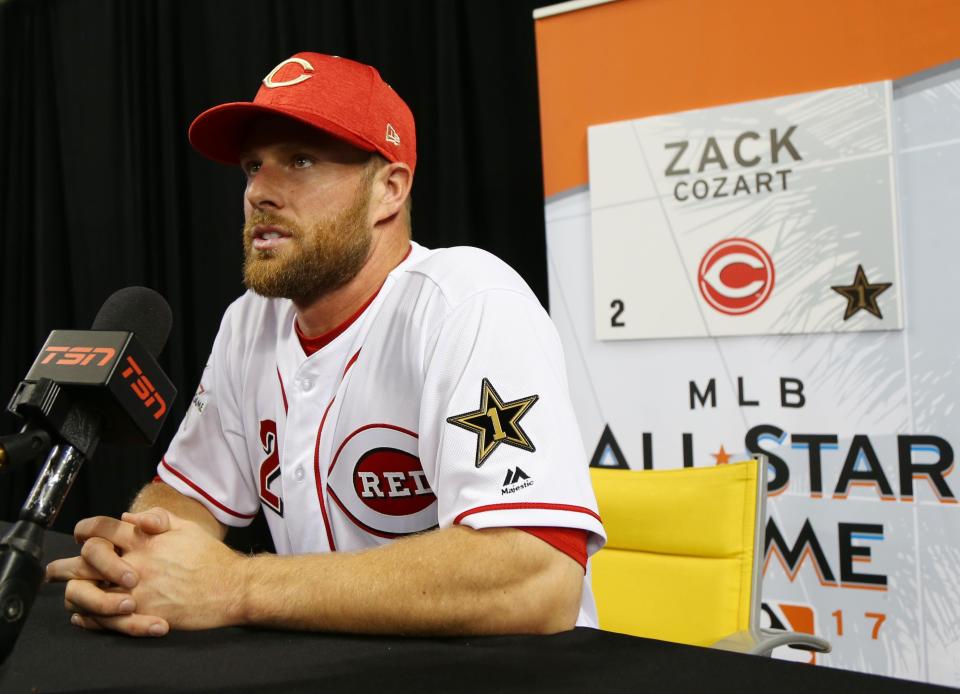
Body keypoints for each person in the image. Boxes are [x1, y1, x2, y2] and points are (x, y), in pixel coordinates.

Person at [46, 52, 605, 638]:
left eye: (301, 161)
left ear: (389, 189)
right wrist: (137, 563)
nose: (259, 190)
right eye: (253, 166)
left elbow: (539, 578)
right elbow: (189, 497)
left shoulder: (466, 301)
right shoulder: (250, 322)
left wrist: (239, 586)